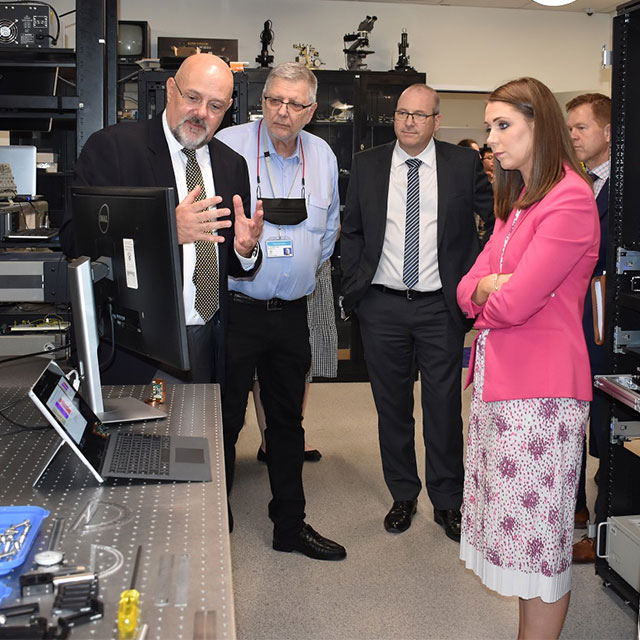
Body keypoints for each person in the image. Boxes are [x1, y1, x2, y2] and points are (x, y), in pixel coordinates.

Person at [456, 77, 599, 639]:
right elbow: (468, 288)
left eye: (502, 125)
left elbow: (512, 303)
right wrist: (488, 288)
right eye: (489, 127)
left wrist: (492, 292)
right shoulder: (520, 201)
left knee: (539, 548)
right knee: (518, 542)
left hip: (542, 395)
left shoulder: (569, 198)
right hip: (503, 386)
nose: (491, 139)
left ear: (539, 124)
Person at [341, 84, 494, 541]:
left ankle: (448, 502)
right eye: (402, 113)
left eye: (419, 115)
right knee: (391, 406)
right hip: (382, 304)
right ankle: (403, 494)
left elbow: (499, 223)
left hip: (439, 307)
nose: (409, 122)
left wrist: (475, 277)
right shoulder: (368, 164)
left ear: (436, 122)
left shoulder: (462, 164)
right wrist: (356, 287)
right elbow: (351, 231)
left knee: (443, 407)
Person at [59, 53, 263, 386]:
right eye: (193, 97)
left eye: (215, 106)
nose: (200, 113)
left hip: (209, 338)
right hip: (137, 347)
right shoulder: (113, 148)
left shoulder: (232, 165)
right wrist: (166, 230)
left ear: (227, 109)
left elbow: (232, 264)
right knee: (136, 439)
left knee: (205, 437)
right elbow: (74, 239)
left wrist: (244, 250)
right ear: (171, 90)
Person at [215, 62, 345, 561]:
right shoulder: (229, 146)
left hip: (291, 312)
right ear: (261, 101)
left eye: (294, 104)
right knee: (225, 420)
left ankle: (290, 525)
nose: (282, 111)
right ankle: (215, 513)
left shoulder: (324, 154)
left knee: (287, 423)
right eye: (273, 100)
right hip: (237, 309)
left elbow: (329, 227)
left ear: (311, 111)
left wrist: (300, 266)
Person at [566, 93, 611, 563]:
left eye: (581, 128)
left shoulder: (623, 186)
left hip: (605, 321)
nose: (574, 135)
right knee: (573, 411)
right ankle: (576, 508)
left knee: (605, 423)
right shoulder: (579, 181)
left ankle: (602, 532)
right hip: (574, 319)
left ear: (608, 131)